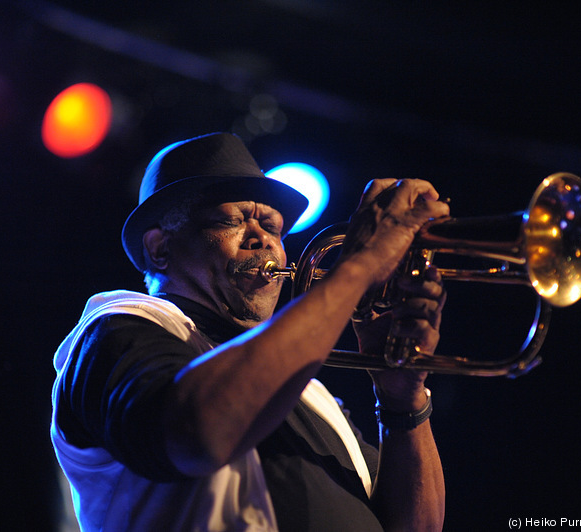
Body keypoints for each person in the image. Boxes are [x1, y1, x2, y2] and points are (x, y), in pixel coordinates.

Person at [50, 132, 449, 531]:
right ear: (160, 248)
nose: (262, 239)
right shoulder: (117, 327)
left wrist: (402, 399)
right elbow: (198, 435)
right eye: (230, 220)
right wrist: (362, 264)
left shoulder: (312, 392)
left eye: (273, 228)